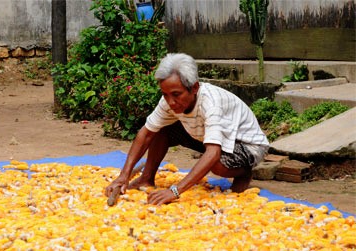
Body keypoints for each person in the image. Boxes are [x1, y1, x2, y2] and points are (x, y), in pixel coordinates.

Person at [105, 53, 269, 206]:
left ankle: (243, 173)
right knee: (159, 129)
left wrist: (175, 190)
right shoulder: (169, 100)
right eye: (165, 94)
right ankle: (146, 178)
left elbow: (213, 152)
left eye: (176, 94)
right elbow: (146, 133)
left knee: (217, 164)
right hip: (207, 136)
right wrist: (123, 176)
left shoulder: (211, 104)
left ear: (195, 88)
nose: (171, 101)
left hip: (246, 144)